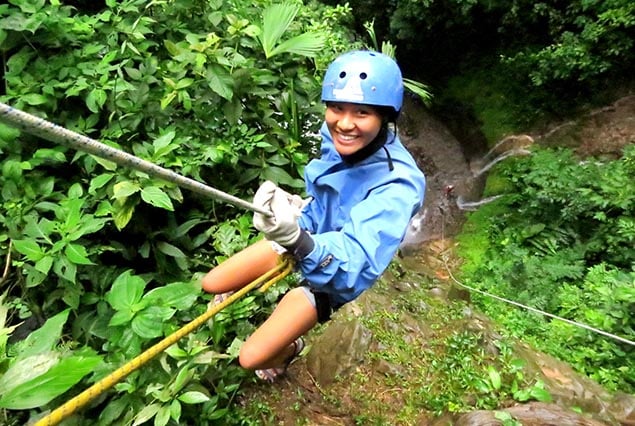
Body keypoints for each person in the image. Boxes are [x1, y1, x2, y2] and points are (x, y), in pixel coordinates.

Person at [202, 50, 426, 382]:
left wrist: (298, 242)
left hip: (337, 273)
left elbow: (355, 264)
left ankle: (292, 348)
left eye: (361, 112)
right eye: (336, 108)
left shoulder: (399, 184)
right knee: (212, 283)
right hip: (309, 229)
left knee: (250, 358)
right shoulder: (334, 135)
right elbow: (328, 187)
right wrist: (297, 209)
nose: (345, 123)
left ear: (385, 117)